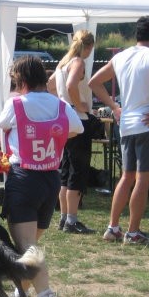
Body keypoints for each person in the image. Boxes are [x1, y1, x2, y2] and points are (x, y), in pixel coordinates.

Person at [0, 55, 83, 297]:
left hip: (24, 179)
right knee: (30, 246)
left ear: (20, 81)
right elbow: (76, 129)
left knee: (27, 247)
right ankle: (20, 294)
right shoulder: (61, 105)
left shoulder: (16, 103)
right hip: (50, 181)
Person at [88, 15, 149, 245]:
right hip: (147, 124)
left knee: (126, 177)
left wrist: (114, 106)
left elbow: (94, 82)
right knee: (143, 180)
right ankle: (133, 232)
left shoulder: (121, 56)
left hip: (126, 124)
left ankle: (113, 227)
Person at [47, 29, 96, 234]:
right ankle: (72, 220)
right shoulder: (78, 62)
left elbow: (50, 86)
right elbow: (71, 84)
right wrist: (79, 105)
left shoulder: (62, 63)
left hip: (63, 121)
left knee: (66, 170)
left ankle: (64, 217)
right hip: (78, 121)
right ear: (89, 47)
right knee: (77, 171)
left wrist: (62, 102)